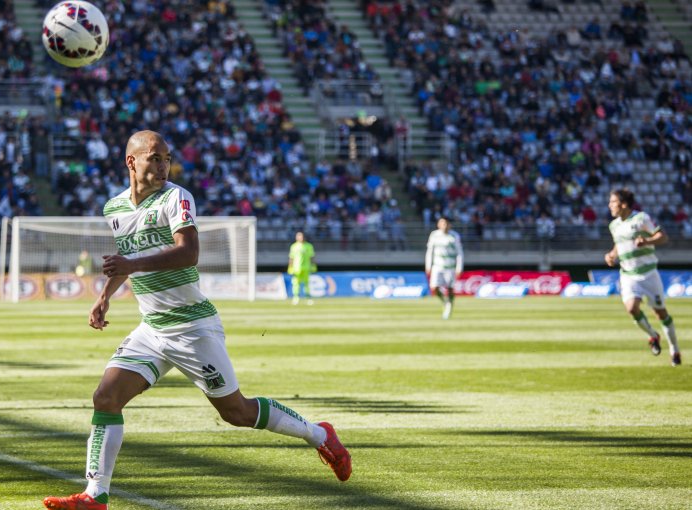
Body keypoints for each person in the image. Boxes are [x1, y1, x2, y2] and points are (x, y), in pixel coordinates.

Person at [43, 131, 351, 510]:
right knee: (106, 397)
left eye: (166, 158)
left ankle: (320, 435)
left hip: (192, 326)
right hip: (152, 327)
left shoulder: (177, 197)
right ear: (131, 162)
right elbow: (127, 256)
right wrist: (104, 297)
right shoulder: (114, 209)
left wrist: (131, 265)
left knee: (236, 412)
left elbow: (188, 253)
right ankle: (95, 496)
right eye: (154, 158)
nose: (162, 165)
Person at [605, 189, 681, 366]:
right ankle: (653, 336)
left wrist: (647, 241)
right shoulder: (614, 225)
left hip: (648, 274)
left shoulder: (641, 219)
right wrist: (612, 254)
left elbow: (662, 237)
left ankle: (674, 349)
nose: (610, 205)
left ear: (623, 204)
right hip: (628, 275)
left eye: (613, 202)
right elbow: (619, 243)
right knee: (632, 308)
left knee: (660, 313)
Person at [425, 217, 463, 320]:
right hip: (437, 266)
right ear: (438, 224)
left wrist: (459, 267)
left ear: (449, 225)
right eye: (442, 223)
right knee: (434, 288)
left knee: (450, 289)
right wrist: (428, 265)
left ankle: (449, 305)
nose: (444, 226)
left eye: (446, 223)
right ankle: (445, 302)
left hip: (450, 267)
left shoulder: (454, 236)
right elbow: (429, 251)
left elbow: (459, 253)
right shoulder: (434, 235)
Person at [287, 231, 316, 305]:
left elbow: (312, 257)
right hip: (296, 268)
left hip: (306, 267)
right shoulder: (294, 246)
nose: (300, 237)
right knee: (296, 283)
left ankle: (308, 298)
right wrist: (290, 267)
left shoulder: (309, 246)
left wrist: (313, 265)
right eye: (298, 236)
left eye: (301, 236)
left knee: (306, 283)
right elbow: (291, 257)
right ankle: (296, 297)